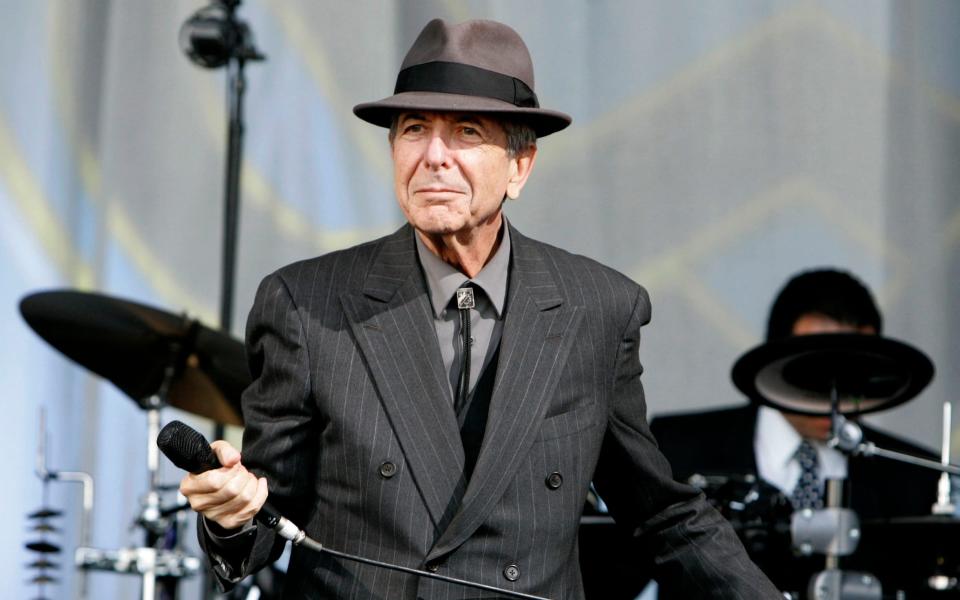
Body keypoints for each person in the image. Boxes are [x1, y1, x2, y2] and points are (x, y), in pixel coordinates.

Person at [179, 18, 780, 599]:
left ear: (520, 167)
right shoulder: (306, 304)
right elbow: (263, 523)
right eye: (414, 128)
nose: (434, 155)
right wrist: (230, 516)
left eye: (467, 131)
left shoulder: (598, 308)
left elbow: (660, 515)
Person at [650, 268, 941, 595]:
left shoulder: (917, 476)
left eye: (853, 372)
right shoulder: (676, 449)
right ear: (773, 363)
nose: (833, 392)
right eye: (813, 370)